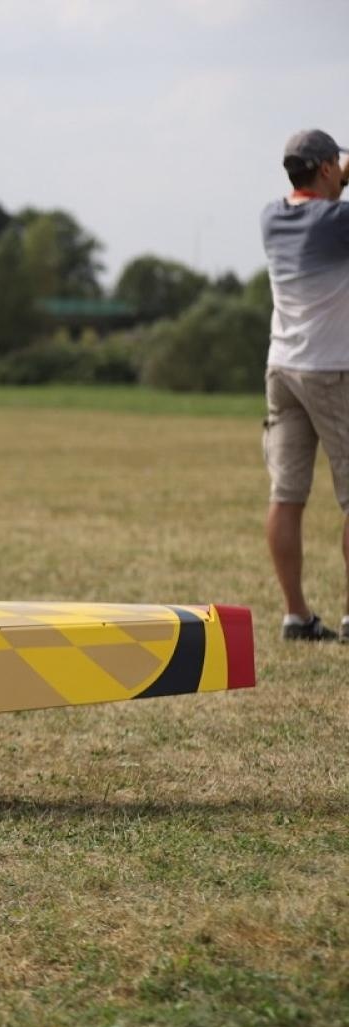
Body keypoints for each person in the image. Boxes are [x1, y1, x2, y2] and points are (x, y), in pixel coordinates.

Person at [260, 128, 349, 642]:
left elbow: (326, 197)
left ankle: (296, 614)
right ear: (323, 169)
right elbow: (334, 204)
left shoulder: (272, 218)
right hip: (332, 369)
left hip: (282, 369)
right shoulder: (336, 222)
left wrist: (337, 170)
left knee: (287, 496)